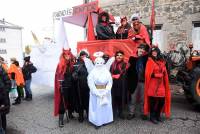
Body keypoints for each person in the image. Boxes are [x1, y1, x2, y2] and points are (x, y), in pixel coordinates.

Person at [84, 52, 114, 128]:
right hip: (96, 93)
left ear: (103, 63)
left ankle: (106, 120)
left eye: (101, 62)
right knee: (97, 107)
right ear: (95, 63)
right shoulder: (92, 72)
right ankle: (97, 122)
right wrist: (96, 92)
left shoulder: (106, 72)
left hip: (105, 92)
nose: (99, 64)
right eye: (97, 63)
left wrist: (106, 91)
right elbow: (90, 83)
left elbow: (110, 82)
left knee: (105, 106)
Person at [144, 46, 171, 124]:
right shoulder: (149, 61)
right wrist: (155, 75)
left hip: (161, 84)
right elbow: (147, 74)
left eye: (155, 51)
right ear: (151, 53)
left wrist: (164, 72)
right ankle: (152, 117)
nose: (154, 53)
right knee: (153, 102)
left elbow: (165, 72)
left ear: (158, 52)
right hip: (152, 84)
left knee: (161, 101)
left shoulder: (162, 61)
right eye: (153, 52)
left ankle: (158, 115)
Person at [54, 49, 77, 127]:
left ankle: (70, 114)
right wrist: (59, 86)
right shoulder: (60, 64)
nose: (67, 56)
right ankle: (60, 120)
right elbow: (58, 76)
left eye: (69, 55)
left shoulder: (72, 64)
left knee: (71, 101)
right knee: (62, 103)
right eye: (66, 55)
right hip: (64, 86)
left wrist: (74, 75)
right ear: (63, 56)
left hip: (71, 86)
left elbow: (73, 73)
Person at [127, 43, 149, 120]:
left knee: (143, 99)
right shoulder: (132, 58)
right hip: (134, 81)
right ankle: (131, 113)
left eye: (143, 49)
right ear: (137, 49)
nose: (141, 50)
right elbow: (128, 71)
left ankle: (143, 113)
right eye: (140, 48)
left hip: (143, 81)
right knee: (133, 98)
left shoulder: (146, 58)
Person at [72, 50, 90, 122]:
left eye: (85, 55)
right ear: (80, 56)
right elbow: (73, 73)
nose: (83, 56)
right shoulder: (76, 64)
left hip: (89, 86)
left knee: (89, 100)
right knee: (80, 101)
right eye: (82, 55)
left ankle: (89, 115)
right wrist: (74, 76)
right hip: (79, 86)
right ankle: (81, 115)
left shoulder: (90, 63)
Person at [110, 50, 128, 119]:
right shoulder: (112, 64)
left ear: (123, 56)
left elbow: (126, 74)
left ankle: (121, 112)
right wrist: (112, 76)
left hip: (122, 85)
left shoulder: (125, 64)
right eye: (118, 55)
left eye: (120, 55)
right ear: (115, 56)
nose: (119, 57)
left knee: (121, 98)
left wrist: (120, 75)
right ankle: (114, 113)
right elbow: (109, 73)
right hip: (113, 85)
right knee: (114, 98)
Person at [0, 63, 11, 132]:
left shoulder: (2, 71)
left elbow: (8, 84)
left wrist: (3, 95)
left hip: (2, 99)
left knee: (2, 115)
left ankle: (3, 130)